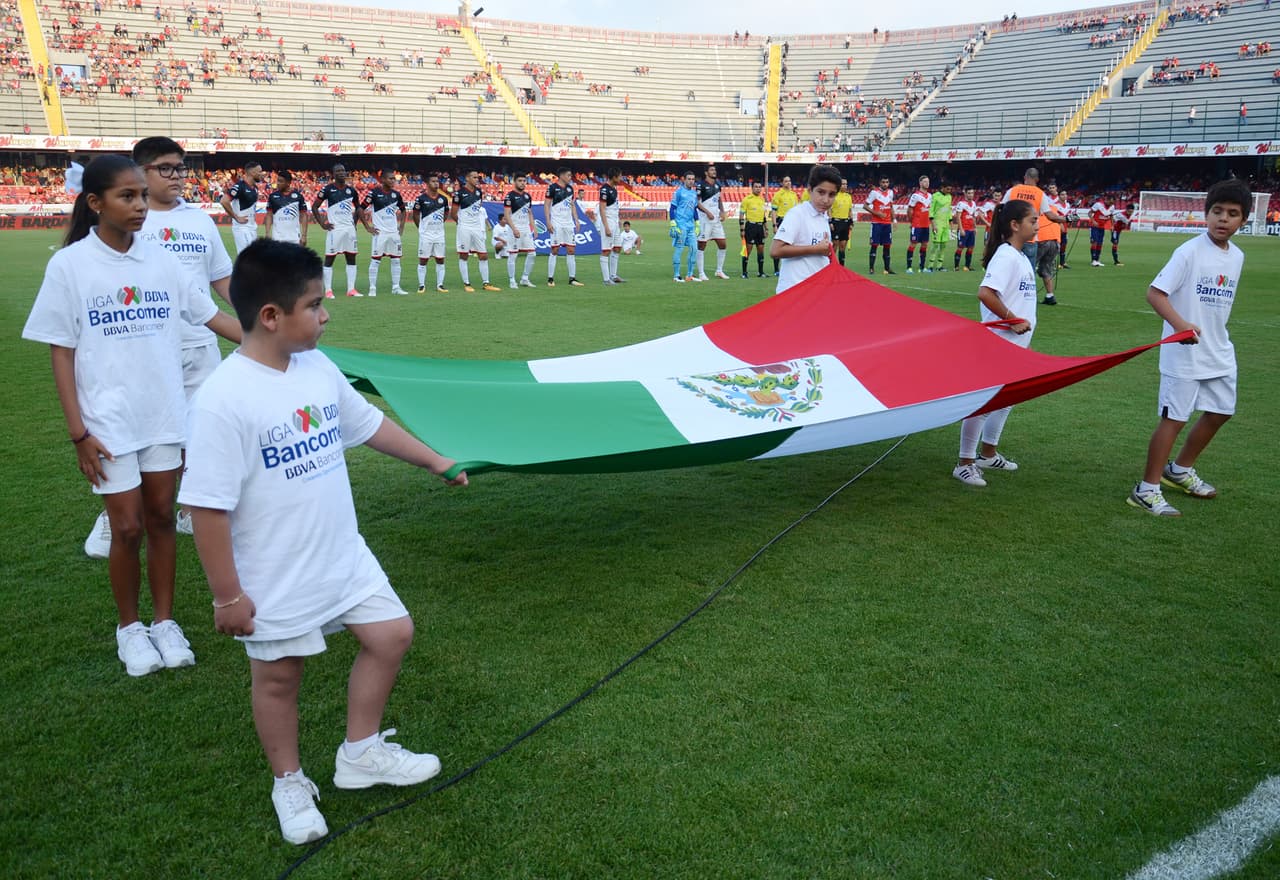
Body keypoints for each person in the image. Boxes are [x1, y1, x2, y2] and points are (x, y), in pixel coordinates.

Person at [179, 239, 467, 844]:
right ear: (271, 317)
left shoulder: (316, 367)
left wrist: (433, 460)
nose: (326, 314)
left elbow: (366, 425)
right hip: (273, 571)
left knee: (391, 634)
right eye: (315, 304)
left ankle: (360, 753)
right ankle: (289, 780)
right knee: (281, 677)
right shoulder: (224, 400)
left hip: (341, 553)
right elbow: (205, 507)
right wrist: (227, 596)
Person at [22, 154, 241, 676]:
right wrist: (79, 432)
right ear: (95, 203)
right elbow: (62, 350)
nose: (141, 205)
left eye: (142, 194)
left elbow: (209, 316)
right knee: (126, 527)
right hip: (108, 422)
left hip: (164, 413)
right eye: (128, 196)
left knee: (164, 518)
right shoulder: (70, 265)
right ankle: (130, 628)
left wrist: (271, 341)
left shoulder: (161, 260)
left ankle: (164, 623)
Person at [1127, 180, 1250, 517]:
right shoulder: (1188, 252)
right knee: (1174, 419)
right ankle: (1146, 489)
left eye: (1233, 214)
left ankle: (1179, 470)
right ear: (1206, 214)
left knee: (1222, 411)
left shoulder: (1237, 256)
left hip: (1218, 349)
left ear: (1243, 220)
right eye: (1217, 211)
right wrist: (1181, 326)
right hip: (1183, 352)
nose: (1223, 219)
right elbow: (1155, 293)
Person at [952, 199, 1037, 487]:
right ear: (1015, 225)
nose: (1037, 225)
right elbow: (986, 293)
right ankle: (964, 462)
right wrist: (1013, 320)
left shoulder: (1022, 257)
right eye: (1032, 220)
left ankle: (988, 454)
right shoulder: (1006, 256)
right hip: (1000, 342)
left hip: (1016, 345)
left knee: (1006, 400)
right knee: (984, 403)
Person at [770, 163, 838, 294]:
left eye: (831, 195)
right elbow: (775, 250)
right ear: (810, 190)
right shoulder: (797, 214)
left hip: (815, 291)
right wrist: (815, 249)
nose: (825, 200)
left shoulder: (822, 216)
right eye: (821, 192)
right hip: (794, 291)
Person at [1001, 167, 1065, 280]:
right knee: (1028, 273)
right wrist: (1068, 219)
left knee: (1008, 270)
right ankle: (1028, 297)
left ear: (1024, 177)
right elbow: (1051, 216)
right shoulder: (1040, 194)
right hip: (1030, 239)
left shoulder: (1013, 191)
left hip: (1012, 237)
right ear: (1037, 179)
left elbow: (1001, 209)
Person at [311, 163, 361, 298]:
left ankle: (351, 289)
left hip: (349, 230)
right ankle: (328, 290)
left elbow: (358, 208)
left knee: (351, 257)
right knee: (329, 259)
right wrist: (322, 223)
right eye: (338, 171)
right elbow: (314, 207)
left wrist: (354, 223)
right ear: (333, 174)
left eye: (343, 170)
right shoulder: (327, 189)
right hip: (335, 229)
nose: (341, 173)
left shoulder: (352, 191)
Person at [452, 169, 500, 293]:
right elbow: (453, 213)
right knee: (464, 255)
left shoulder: (478, 192)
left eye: (477, 177)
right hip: (464, 228)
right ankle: (467, 283)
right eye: (474, 177)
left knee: (483, 255)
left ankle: (486, 283)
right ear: (467, 178)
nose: (477, 179)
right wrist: (462, 224)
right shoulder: (459, 194)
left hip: (477, 227)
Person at [360, 170, 407, 296]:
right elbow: (360, 209)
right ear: (383, 180)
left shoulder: (396, 195)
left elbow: (403, 210)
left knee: (396, 260)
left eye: (394, 179)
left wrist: (401, 227)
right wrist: (367, 227)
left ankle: (396, 288)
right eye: (390, 178)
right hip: (380, 233)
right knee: (375, 260)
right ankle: (372, 288)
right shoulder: (374, 193)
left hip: (393, 233)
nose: (393, 181)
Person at [544, 167, 584, 287]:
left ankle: (572, 278)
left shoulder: (570, 189)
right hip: (556, 223)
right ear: (561, 175)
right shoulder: (552, 188)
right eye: (568, 175)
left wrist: (576, 220)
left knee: (571, 250)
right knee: (555, 250)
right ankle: (550, 278)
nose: (570, 177)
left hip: (568, 223)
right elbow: (546, 205)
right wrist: (548, 222)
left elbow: (572, 205)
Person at [412, 172, 450, 293]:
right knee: (423, 260)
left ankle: (440, 285)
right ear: (427, 184)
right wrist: (421, 228)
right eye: (433, 181)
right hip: (426, 235)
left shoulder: (443, 199)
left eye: (437, 181)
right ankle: (421, 285)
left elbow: (446, 213)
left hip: (439, 234)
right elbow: (415, 214)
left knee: (440, 259)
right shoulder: (421, 198)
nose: (436, 183)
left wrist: (439, 224)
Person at [501, 173, 537, 288]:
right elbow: (506, 214)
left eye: (524, 181)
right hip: (514, 228)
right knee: (513, 255)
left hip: (526, 229)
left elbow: (530, 213)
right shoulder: (509, 196)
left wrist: (534, 227)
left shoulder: (527, 196)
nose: (522, 183)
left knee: (532, 254)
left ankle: (525, 278)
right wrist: (513, 229)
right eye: (520, 180)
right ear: (514, 182)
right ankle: (512, 280)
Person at [1033, 182, 1066, 305]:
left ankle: (1028, 296)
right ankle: (1050, 296)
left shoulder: (1036, 210)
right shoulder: (1055, 210)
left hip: (1042, 240)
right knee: (1046, 269)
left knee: (1029, 268)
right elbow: (1062, 229)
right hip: (1055, 242)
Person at [695, 164, 730, 280]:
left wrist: (722, 211)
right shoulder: (701, 185)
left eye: (715, 170)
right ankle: (701, 273)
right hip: (705, 220)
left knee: (723, 244)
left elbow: (719, 199)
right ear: (706, 172)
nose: (714, 171)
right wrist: (707, 212)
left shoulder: (718, 185)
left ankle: (719, 271)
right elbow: (697, 203)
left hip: (716, 220)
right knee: (702, 245)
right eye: (711, 170)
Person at [221, 161, 263, 253]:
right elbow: (224, 201)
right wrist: (236, 217)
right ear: (252, 172)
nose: (262, 174)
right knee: (246, 259)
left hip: (252, 227)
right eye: (259, 171)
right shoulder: (240, 186)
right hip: (242, 228)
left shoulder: (255, 187)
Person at [669, 171, 699, 282]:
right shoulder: (679, 192)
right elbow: (672, 208)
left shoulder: (694, 193)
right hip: (680, 225)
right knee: (679, 249)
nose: (691, 181)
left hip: (691, 226)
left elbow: (694, 208)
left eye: (693, 179)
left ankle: (689, 275)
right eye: (689, 179)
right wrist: (673, 223)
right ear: (684, 180)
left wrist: (697, 223)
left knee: (694, 249)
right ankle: (676, 276)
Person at [596, 168, 625, 284]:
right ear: (614, 177)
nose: (621, 178)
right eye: (619, 176)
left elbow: (614, 207)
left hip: (615, 222)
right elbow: (602, 209)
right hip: (607, 222)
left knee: (617, 248)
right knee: (606, 250)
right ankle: (606, 279)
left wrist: (618, 219)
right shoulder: (604, 189)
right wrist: (606, 226)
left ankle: (613, 275)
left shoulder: (614, 189)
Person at [265, 169, 308, 246]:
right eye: (277, 180)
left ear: (288, 183)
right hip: (277, 238)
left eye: (281, 181)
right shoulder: (272, 197)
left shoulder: (298, 196)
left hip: (294, 238)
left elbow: (304, 215)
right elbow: (269, 215)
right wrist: (267, 233)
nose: (278, 183)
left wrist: (304, 236)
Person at [865, 175, 895, 274]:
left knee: (887, 246)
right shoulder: (874, 193)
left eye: (887, 182)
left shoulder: (891, 192)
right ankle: (871, 268)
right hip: (876, 224)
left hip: (887, 224)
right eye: (883, 182)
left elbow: (891, 207)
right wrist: (876, 213)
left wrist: (894, 220)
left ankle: (887, 268)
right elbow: (865, 206)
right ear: (880, 183)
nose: (885, 184)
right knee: (874, 245)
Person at [738, 180, 768, 278]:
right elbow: (741, 215)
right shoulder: (747, 199)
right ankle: (744, 272)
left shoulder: (762, 200)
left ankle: (760, 272)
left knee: (761, 249)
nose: (758, 188)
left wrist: (766, 228)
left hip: (760, 227)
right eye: (756, 187)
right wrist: (742, 230)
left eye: (759, 187)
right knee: (748, 250)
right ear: (752, 188)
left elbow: (763, 215)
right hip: (750, 227)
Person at [769, 175, 799, 275]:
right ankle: (776, 270)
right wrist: (774, 225)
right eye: (786, 181)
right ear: (782, 183)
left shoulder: (794, 195)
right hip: (781, 221)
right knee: (779, 245)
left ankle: (789, 268)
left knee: (791, 245)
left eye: (789, 181)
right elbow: (773, 211)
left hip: (792, 222)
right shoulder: (778, 195)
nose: (788, 183)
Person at [904, 175, 931, 273]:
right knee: (913, 244)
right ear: (920, 183)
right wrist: (912, 222)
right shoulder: (915, 196)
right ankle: (909, 267)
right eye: (925, 181)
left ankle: (922, 267)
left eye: (928, 181)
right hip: (917, 224)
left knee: (924, 245)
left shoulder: (930, 196)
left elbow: (929, 211)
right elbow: (910, 210)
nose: (927, 183)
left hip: (926, 225)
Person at [927, 182, 953, 272]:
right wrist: (933, 224)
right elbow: (931, 210)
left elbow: (949, 209)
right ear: (942, 188)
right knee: (935, 244)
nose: (949, 191)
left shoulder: (949, 197)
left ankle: (939, 265)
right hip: (937, 223)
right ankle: (930, 265)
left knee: (944, 245)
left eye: (950, 189)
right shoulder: (935, 196)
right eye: (947, 189)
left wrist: (950, 221)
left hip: (945, 224)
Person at [828, 178, 853, 267]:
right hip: (836, 222)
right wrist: (830, 222)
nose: (845, 186)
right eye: (843, 184)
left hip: (845, 222)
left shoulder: (848, 196)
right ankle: (832, 265)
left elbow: (850, 210)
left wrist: (851, 222)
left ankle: (842, 266)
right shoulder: (834, 195)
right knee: (835, 245)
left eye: (846, 184)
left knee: (843, 246)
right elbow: (829, 210)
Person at [952, 187, 977, 271]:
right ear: (965, 194)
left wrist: (975, 227)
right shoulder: (961, 204)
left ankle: (967, 266)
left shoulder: (973, 203)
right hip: (964, 229)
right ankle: (956, 266)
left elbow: (973, 216)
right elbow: (958, 217)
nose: (971, 195)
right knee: (960, 247)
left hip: (971, 229)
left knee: (971, 247)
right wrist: (961, 229)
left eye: (972, 193)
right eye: (969, 193)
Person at [1088, 194, 1111, 267]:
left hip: (1102, 228)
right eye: (1109, 201)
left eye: (1112, 202)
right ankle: (1093, 260)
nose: (1110, 203)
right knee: (1094, 242)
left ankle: (1097, 260)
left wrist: (1108, 220)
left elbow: (1108, 216)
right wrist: (1093, 221)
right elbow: (1089, 213)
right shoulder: (1098, 204)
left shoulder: (1111, 208)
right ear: (1106, 199)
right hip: (1094, 227)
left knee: (1100, 243)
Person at [1110, 201, 1135, 266]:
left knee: (1115, 243)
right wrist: (1112, 226)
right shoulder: (1121, 215)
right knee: (1115, 244)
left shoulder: (1126, 214)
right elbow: (1126, 221)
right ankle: (1116, 261)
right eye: (1129, 211)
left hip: (1118, 231)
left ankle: (1116, 261)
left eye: (1131, 212)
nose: (1130, 213)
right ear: (1126, 210)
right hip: (1114, 230)